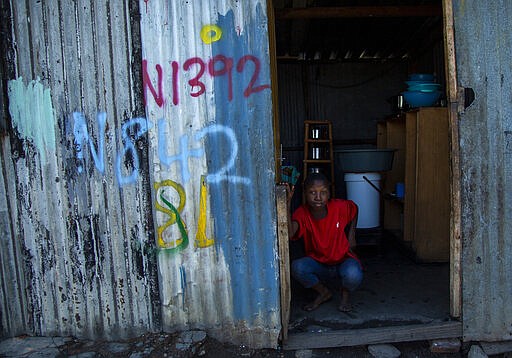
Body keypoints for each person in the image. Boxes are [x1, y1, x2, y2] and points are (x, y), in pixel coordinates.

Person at [285, 172, 363, 312]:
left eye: (323, 192)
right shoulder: (302, 213)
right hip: (318, 263)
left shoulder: (339, 207)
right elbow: (290, 234)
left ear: (329, 193)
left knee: (353, 274)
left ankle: (345, 296)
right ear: (305, 193)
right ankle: (324, 293)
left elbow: (355, 209)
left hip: (343, 260)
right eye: (312, 192)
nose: (318, 198)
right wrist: (287, 203)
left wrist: (351, 235)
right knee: (298, 267)